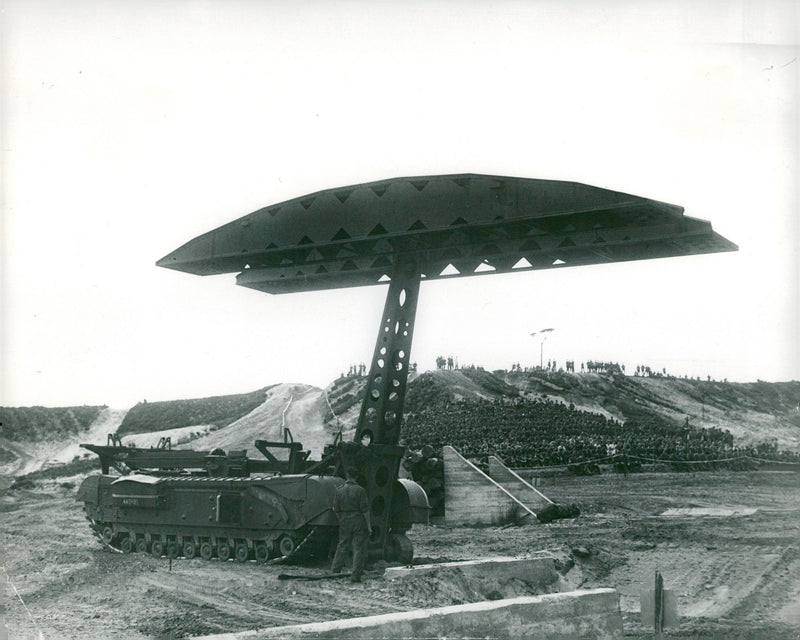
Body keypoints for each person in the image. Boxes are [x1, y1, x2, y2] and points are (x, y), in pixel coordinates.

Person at [331, 466, 371, 582]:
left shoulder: (339, 490)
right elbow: (365, 510)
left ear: (347, 476)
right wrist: (368, 526)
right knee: (358, 548)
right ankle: (355, 576)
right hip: (358, 520)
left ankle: (334, 571)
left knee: (342, 545)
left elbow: (336, 509)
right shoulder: (360, 490)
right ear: (356, 476)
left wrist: (341, 519)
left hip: (344, 520)